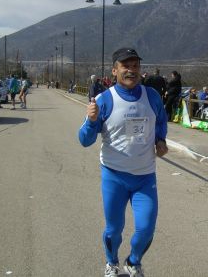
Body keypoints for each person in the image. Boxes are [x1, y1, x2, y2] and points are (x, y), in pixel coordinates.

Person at [78, 47, 168, 277]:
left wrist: (160, 140)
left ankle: (133, 261)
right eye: (125, 66)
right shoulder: (104, 99)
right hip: (114, 176)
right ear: (115, 70)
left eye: (135, 65)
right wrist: (90, 121)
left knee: (146, 229)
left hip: (145, 177)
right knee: (114, 230)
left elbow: (160, 122)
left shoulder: (153, 96)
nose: (131, 70)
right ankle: (112, 263)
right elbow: (85, 140)